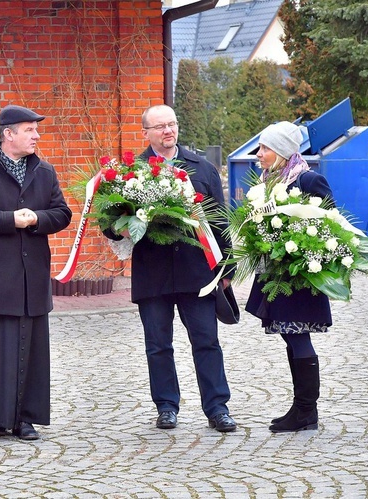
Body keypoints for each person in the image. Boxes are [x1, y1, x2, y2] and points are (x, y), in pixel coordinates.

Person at [105, 104, 237, 432]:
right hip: (154, 271)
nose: (168, 131)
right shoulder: (130, 172)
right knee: (158, 344)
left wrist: (227, 269)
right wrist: (119, 227)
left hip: (198, 271)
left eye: (172, 124)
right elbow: (108, 220)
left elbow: (219, 221)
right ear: (146, 133)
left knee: (207, 340)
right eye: (160, 126)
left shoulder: (202, 169)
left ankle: (217, 407)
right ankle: (166, 406)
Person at [0, 104, 72, 440]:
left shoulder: (44, 171)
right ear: (8, 134)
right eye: (29, 129)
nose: (36, 135)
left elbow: (62, 214)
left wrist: (36, 219)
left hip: (31, 276)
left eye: (36, 129)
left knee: (31, 350)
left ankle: (25, 418)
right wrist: (9, 219)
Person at [246, 121, 332, 433]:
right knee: (291, 338)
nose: (259, 154)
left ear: (281, 151)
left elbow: (331, 226)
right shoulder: (268, 182)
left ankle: (307, 412)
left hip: (298, 279)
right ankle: (300, 408)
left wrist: (291, 245)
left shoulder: (308, 179)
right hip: (276, 276)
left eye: (265, 148)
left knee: (298, 337)